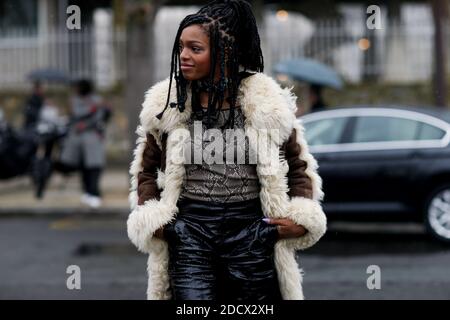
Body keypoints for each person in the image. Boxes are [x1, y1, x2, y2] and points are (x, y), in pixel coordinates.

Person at [127, 0, 326, 300]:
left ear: (224, 52)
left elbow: (299, 165)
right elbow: (145, 169)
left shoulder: (267, 104)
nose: (184, 56)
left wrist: (299, 219)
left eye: (195, 48)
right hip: (190, 231)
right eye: (181, 47)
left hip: (251, 231)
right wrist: (158, 224)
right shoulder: (167, 104)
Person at [59, 79, 110, 208]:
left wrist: (85, 125)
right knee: (82, 167)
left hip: (92, 139)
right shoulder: (75, 100)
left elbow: (99, 117)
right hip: (78, 140)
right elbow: (74, 115)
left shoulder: (96, 100)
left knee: (93, 167)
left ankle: (95, 194)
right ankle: (87, 192)